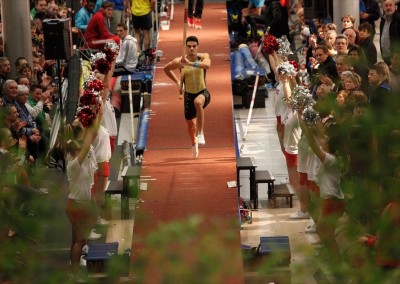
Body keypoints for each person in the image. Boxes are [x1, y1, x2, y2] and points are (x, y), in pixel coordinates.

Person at [163, 36, 211, 158]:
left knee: (198, 102)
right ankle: (194, 142)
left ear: (197, 47)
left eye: (194, 46)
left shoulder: (203, 56)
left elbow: (207, 65)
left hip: (203, 92)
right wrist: (178, 82)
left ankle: (201, 133)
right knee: (190, 126)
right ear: (185, 47)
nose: (191, 49)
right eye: (189, 46)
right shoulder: (179, 61)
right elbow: (166, 69)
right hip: (188, 96)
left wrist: (190, 63)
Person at [380, 0, 400, 65]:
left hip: (396, 55)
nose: (388, 7)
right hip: (386, 55)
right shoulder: (383, 20)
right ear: (383, 8)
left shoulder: (398, 18)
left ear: (395, 7)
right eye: (386, 6)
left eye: (390, 5)